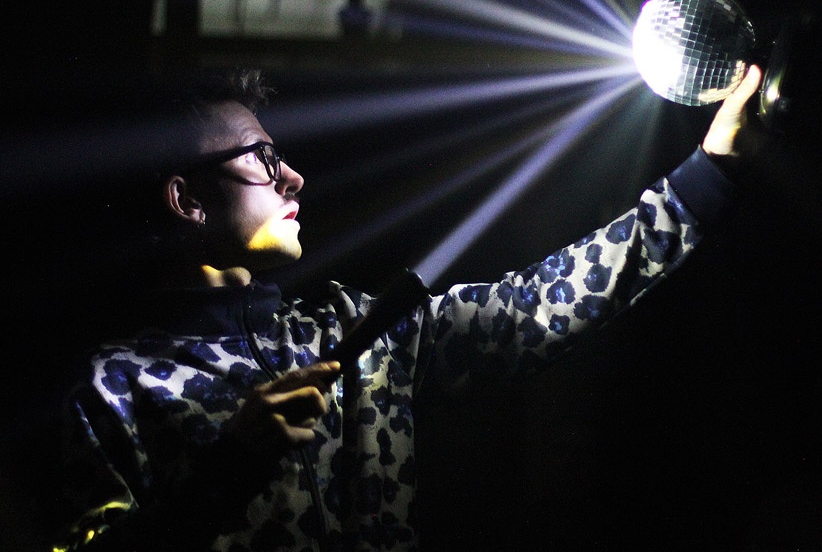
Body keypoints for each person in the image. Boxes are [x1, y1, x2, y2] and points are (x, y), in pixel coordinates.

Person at [53, 64, 763, 551]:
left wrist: (712, 169)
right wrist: (226, 471)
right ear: (186, 200)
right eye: (262, 159)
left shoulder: (352, 333)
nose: (293, 176)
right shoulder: (115, 386)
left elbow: (535, 308)